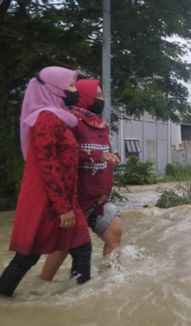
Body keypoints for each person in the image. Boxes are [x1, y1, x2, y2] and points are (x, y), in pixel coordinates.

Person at [0, 67, 92, 297]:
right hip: (48, 200)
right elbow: (47, 165)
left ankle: (78, 300)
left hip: (65, 197)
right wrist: (62, 208)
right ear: (54, 88)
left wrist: (97, 156)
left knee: (82, 248)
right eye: (70, 85)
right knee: (28, 255)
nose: (74, 90)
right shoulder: (45, 119)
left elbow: (67, 155)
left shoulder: (60, 118)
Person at [40, 79, 121, 282]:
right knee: (63, 247)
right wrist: (94, 155)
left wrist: (106, 190)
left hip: (98, 198)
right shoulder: (70, 122)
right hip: (75, 199)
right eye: (98, 95)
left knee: (115, 234)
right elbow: (67, 153)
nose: (101, 99)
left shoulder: (101, 125)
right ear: (86, 97)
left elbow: (106, 157)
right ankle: (41, 287)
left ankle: (111, 283)